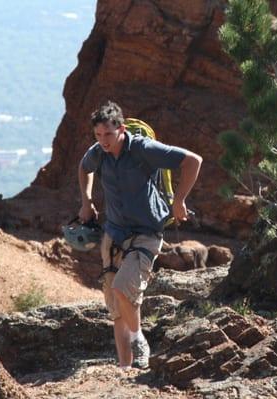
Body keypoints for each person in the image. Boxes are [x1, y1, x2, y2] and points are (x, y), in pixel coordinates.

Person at [78, 101, 202, 369]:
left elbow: (193, 161)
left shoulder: (143, 149)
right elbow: (83, 168)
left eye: (109, 135)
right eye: (98, 136)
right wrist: (86, 202)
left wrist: (180, 200)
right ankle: (125, 368)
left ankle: (139, 340)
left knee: (124, 288)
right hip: (114, 233)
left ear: (121, 129)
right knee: (116, 306)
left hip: (146, 232)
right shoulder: (99, 152)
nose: (103, 141)